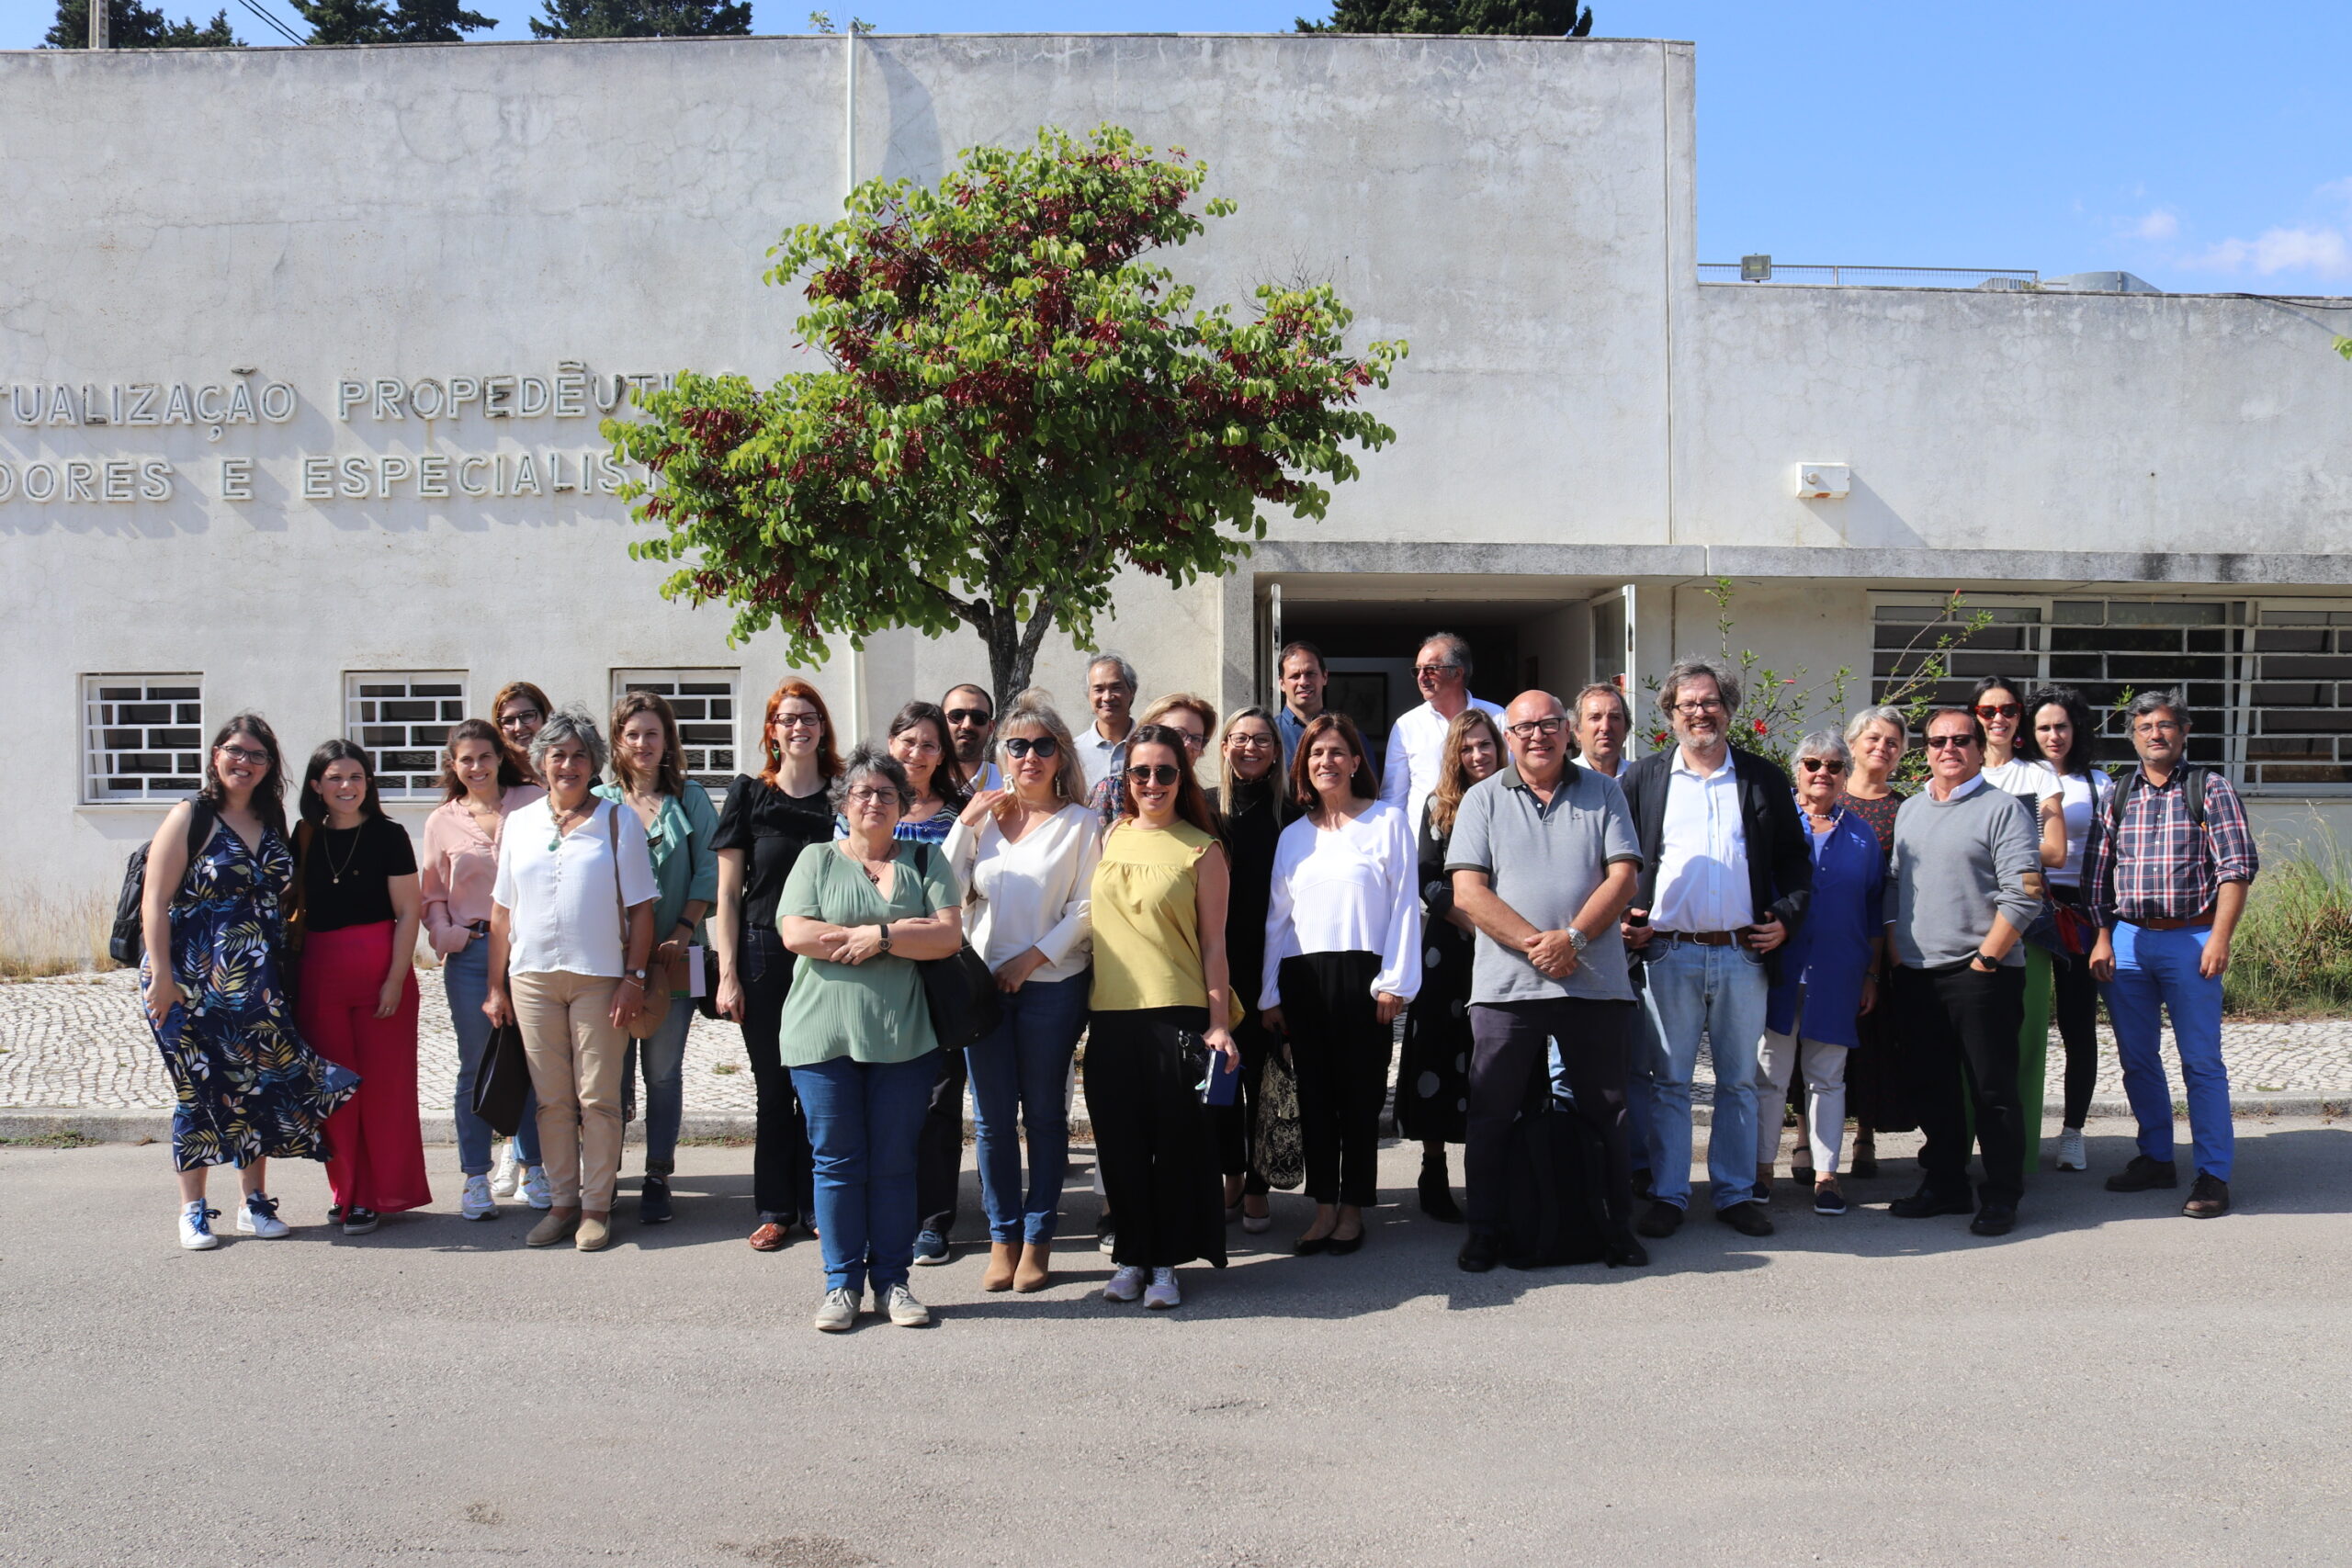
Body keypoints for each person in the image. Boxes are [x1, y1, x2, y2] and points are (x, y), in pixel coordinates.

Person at [1446, 691, 1645, 1273]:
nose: (1539, 736)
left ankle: (1616, 1228)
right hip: (1507, 990)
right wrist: (1539, 944)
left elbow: (1624, 878)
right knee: (1490, 1113)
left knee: (1608, 1112)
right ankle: (1485, 1230)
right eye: (1525, 727)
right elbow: (1468, 893)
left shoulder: (1604, 791)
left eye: (1551, 725)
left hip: (1595, 985)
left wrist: (1574, 940)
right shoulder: (1482, 798)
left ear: (1568, 732)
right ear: (1508, 737)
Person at [139, 715, 356, 1249]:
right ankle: (192, 1211)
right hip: (188, 978)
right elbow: (155, 900)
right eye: (236, 751)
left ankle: (252, 1204)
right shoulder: (191, 815)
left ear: (269, 767)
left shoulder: (270, 817)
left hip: (257, 982)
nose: (245, 762)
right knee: (199, 1088)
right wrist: (162, 976)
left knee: (253, 1086)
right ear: (216, 755)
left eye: (257, 756)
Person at [1619, 659, 1811, 1240]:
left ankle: (1733, 1194)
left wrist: (1785, 917)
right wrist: (1625, 921)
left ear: (1729, 710)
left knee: (1737, 1082)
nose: (1699, 713)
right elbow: (1617, 863)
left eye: (1710, 702)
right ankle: (1671, 1194)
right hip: (1667, 954)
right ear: (1670, 716)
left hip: (1741, 954)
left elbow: (1794, 863)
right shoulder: (1644, 780)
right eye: (1687, 705)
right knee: (1671, 1082)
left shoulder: (1761, 778)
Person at [776, 746, 967, 1331]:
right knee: (836, 1162)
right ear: (844, 802)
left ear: (903, 804)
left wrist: (881, 938)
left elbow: (947, 937)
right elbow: (796, 933)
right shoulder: (816, 858)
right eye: (863, 792)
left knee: (892, 1163)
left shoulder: (926, 858)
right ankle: (841, 1286)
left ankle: (892, 1281)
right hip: (820, 1035)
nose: (875, 802)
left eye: (888, 793)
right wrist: (894, 932)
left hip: (903, 1038)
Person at [483, 707, 659, 1253]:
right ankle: (562, 1203)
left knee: (599, 1098)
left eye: (580, 755)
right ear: (540, 763)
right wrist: (496, 988)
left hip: (600, 977)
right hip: (532, 976)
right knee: (552, 1100)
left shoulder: (616, 820)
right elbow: (501, 913)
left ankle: (596, 1207)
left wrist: (633, 977)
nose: (568, 765)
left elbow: (642, 908)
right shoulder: (519, 822)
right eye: (557, 754)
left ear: (594, 764)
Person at [944, 691, 1101, 1292]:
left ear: (1060, 755)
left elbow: (1085, 909)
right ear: (1001, 753)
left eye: (1042, 745)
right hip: (983, 989)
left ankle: (1038, 1239)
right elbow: (941, 882)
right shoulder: (983, 819)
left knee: (1043, 1117)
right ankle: (1001, 1237)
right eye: (1018, 745)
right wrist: (965, 822)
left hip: (1050, 988)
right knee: (989, 1121)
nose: (1030, 755)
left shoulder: (1082, 824)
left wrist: (1031, 959)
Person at [2086, 691, 2258, 1220]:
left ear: (2183, 732)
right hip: (2128, 941)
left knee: (2201, 1062)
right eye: (2144, 728)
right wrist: (2101, 937)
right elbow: (2099, 874)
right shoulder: (2116, 794)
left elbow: (2236, 868)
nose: (2155, 735)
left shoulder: (2210, 789)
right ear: (2133, 736)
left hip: (2191, 940)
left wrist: (2220, 938)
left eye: (2165, 726)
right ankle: (2156, 1157)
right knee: (2138, 1060)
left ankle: (2212, 1175)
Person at [1087, 723, 1242, 1309]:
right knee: (1119, 1145)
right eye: (1141, 772)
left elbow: (1214, 946)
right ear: (1126, 779)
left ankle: (1166, 1265)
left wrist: (1219, 1022)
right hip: (1110, 1013)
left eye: (1165, 772)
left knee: (1175, 1145)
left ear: (1183, 778)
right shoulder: (1108, 838)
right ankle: (1130, 1255)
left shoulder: (1202, 849)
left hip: (1178, 1011)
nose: (1152, 783)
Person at [1261, 713, 1421, 1256]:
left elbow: (1404, 907)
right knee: (1315, 1098)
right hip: (1303, 979)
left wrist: (1396, 981)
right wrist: (1269, 995)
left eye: (1336, 752)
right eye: (1315, 754)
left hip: (1365, 980)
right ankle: (1322, 1207)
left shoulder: (1388, 822)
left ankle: (1353, 1208)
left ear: (1356, 762)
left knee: (1358, 1099)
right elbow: (1277, 921)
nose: (1325, 762)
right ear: (1303, 766)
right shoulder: (1292, 837)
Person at [1884, 706, 2044, 1237]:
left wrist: (1986, 960)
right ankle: (1945, 1184)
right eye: (1937, 741)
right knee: (1933, 1089)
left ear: (1979, 748)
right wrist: (1895, 953)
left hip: (1983, 974)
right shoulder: (1909, 809)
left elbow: (2024, 895)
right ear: (1924, 750)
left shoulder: (2004, 810)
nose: (1948, 749)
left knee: (1992, 1091)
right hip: (1917, 973)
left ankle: (2001, 1194)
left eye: (1960, 740)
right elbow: (1893, 888)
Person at [712, 680, 839, 1251]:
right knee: (773, 1087)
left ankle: (818, 1202)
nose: (798, 727)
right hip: (763, 953)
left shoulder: (839, 798)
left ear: (822, 726)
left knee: (818, 1084)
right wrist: (727, 973)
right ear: (771, 730)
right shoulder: (748, 794)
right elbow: (728, 894)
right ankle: (775, 1208)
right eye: (787, 718)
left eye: (808, 717)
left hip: (823, 957)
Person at [595, 690, 719, 1225]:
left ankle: (658, 1174)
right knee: (611, 1075)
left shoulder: (689, 798)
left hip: (675, 955)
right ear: (618, 741)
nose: (643, 743)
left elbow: (709, 869)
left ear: (667, 739)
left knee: (663, 1072)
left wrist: (685, 927)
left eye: (653, 733)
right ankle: (605, 1174)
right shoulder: (598, 799)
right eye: (633, 734)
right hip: (608, 961)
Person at [295, 739, 428, 1235]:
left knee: (384, 1091)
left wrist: (395, 978)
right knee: (336, 1089)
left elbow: (409, 911)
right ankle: (345, 1192)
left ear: (368, 783)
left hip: (381, 973)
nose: (346, 786)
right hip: (320, 974)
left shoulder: (390, 835)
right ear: (316, 786)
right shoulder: (304, 835)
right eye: (335, 778)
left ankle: (378, 1195)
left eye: (355, 776)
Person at [422, 718, 550, 1221]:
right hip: (472, 953)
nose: (476, 767)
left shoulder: (534, 801)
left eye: (484, 756)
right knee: (477, 1064)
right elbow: (432, 894)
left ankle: (532, 1166)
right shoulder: (442, 821)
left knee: (534, 1062)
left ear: (500, 757)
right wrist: (448, 935)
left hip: (530, 948)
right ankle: (475, 1177)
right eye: (465, 759)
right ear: (453, 766)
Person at [1755, 730, 1885, 1216]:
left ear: (1845, 775)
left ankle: (1828, 1176)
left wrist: (1871, 973)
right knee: (1769, 1075)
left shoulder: (1862, 835)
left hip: (1837, 971)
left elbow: (1873, 910)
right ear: (1796, 770)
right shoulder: (1773, 823)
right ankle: (1762, 1168)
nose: (1822, 774)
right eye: (1812, 764)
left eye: (1833, 766)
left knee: (1827, 1077)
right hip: (1779, 969)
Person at [1397, 707, 1506, 1222]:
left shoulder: (1516, 799)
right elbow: (1428, 879)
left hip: (1507, 945)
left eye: (1485, 744)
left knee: (1497, 1055)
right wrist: (1474, 920)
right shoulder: (1438, 805)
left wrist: (1498, 926)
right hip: (1450, 946)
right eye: (1467, 748)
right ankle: (1433, 1168)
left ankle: (1495, 1170)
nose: (1477, 755)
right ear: (1454, 756)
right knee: (1439, 1054)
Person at [876, 700, 974, 1266]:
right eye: (908, 741)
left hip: (937, 975)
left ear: (943, 755)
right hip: (874, 973)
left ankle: (935, 1220)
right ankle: (887, 1210)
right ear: (891, 743)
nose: (917, 753)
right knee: (884, 1101)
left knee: (938, 1101)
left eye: (929, 745)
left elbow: (963, 894)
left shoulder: (960, 815)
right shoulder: (863, 801)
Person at [2019, 685, 2116, 1174]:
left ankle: (2073, 1130)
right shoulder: (2013, 777)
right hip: (2027, 905)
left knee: (2078, 1025)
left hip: (2079, 909)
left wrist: (2106, 928)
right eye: (2042, 727)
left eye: (2061, 726)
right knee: (2021, 1023)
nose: (2053, 736)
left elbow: (2115, 858)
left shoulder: (2099, 784)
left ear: (2076, 729)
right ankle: (2015, 1128)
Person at [1213, 705, 1292, 1235]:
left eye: (1261, 739)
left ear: (1276, 749)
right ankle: (1231, 1174)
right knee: (1221, 1082)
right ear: (1224, 747)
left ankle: (1259, 1184)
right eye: (1240, 739)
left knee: (1264, 1081)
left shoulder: (1292, 812)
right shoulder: (1203, 810)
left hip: (1273, 965)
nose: (1250, 748)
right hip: (1217, 962)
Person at [1832, 705, 1915, 1181]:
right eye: (1873, 738)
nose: (1881, 747)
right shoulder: (1827, 795)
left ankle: (1864, 1136)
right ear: (1853, 742)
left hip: (1881, 941)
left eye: (1892, 741)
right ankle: (1805, 1136)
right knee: (1816, 1040)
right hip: (1829, 939)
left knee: (1872, 1044)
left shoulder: (1905, 808)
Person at [1378, 632, 1506, 836]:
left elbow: (1512, 777)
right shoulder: (1407, 725)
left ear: (1457, 673)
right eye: (1417, 670)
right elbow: (1393, 797)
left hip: (1489, 834)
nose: (1421, 677)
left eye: (1430, 669)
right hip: (1426, 848)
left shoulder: (1497, 717)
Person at [1089, 693, 1216, 827]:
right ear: (1149, 732)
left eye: (1196, 739)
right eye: (1178, 734)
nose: (1188, 744)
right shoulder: (1113, 791)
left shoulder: (1202, 801)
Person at [1075, 653, 1140, 792]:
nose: (1107, 697)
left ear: (1132, 691)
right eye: (1098, 689)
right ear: (1089, 695)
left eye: (1116, 687)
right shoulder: (1073, 752)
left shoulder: (1149, 746)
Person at [1273, 639, 1330, 768]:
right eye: (1295, 676)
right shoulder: (1267, 735)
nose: (1303, 682)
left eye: (1310, 674)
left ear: (1325, 677)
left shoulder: (1347, 736)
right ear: (1282, 683)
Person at [943, 682, 1002, 792]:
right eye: (957, 715)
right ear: (941, 722)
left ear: (991, 727)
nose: (967, 725)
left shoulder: (1008, 785)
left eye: (979, 718)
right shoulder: (922, 781)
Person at [1571, 682, 1633, 780]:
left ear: (1626, 728)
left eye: (1614, 717)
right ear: (1578, 730)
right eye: (1595, 717)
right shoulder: (1559, 781)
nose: (1605, 727)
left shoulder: (1641, 780)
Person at [491, 680, 553, 766]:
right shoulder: (493, 775)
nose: (518, 727)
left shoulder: (566, 768)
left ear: (545, 715)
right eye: (509, 720)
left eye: (527, 716)